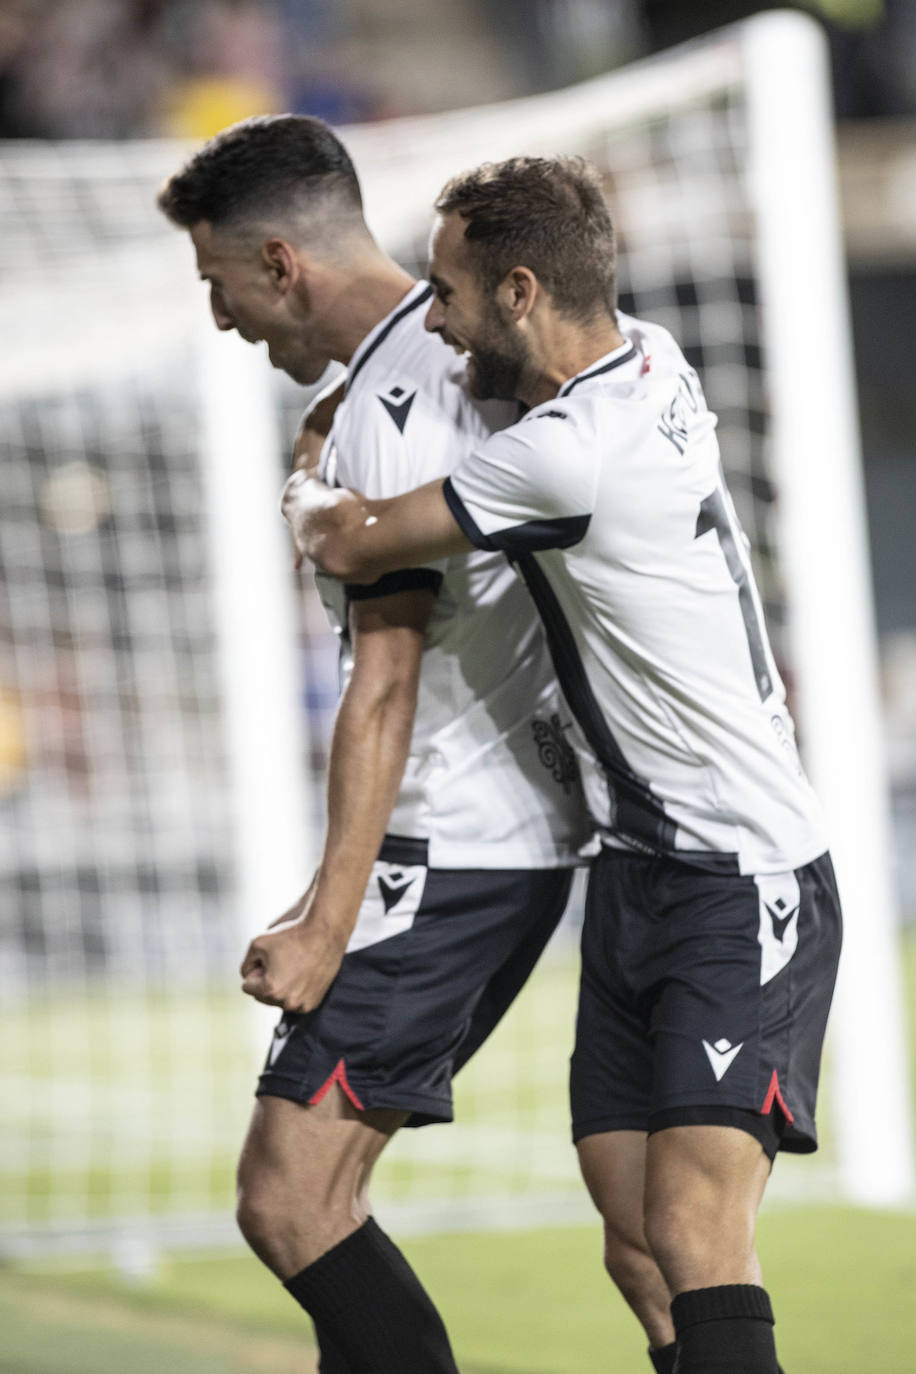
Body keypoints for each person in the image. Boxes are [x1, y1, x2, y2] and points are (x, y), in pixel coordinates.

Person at [285, 154, 843, 1374]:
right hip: (637, 871)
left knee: (696, 1231)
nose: (430, 320)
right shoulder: (639, 356)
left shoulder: (568, 452)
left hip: (743, 879)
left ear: (521, 291)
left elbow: (354, 538)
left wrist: (309, 470)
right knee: (637, 1246)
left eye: (446, 291)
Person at [157, 119, 589, 1374]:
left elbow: (386, 683)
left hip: (450, 849)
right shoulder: (413, 370)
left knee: (292, 1198)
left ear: (280, 263)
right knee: (312, 1197)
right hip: (491, 839)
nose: (226, 320)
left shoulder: (394, 405)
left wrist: (323, 921)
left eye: (220, 285)